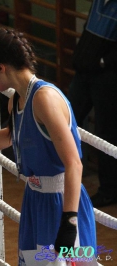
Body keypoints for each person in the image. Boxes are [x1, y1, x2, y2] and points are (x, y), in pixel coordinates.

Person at [0, 28, 97, 265]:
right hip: (35, 199)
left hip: (62, 200)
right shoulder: (18, 98)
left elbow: (74, 162)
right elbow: (13, 134)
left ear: (1, 67)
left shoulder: (44, 98)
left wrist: (70, 220)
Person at [67, 0, 117, 208]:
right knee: (66, 119)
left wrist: (103, 62)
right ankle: (58, 177)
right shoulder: (98, 2)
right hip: (84, 72)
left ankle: (109, 192)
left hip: (107, 78)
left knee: (106, 133)